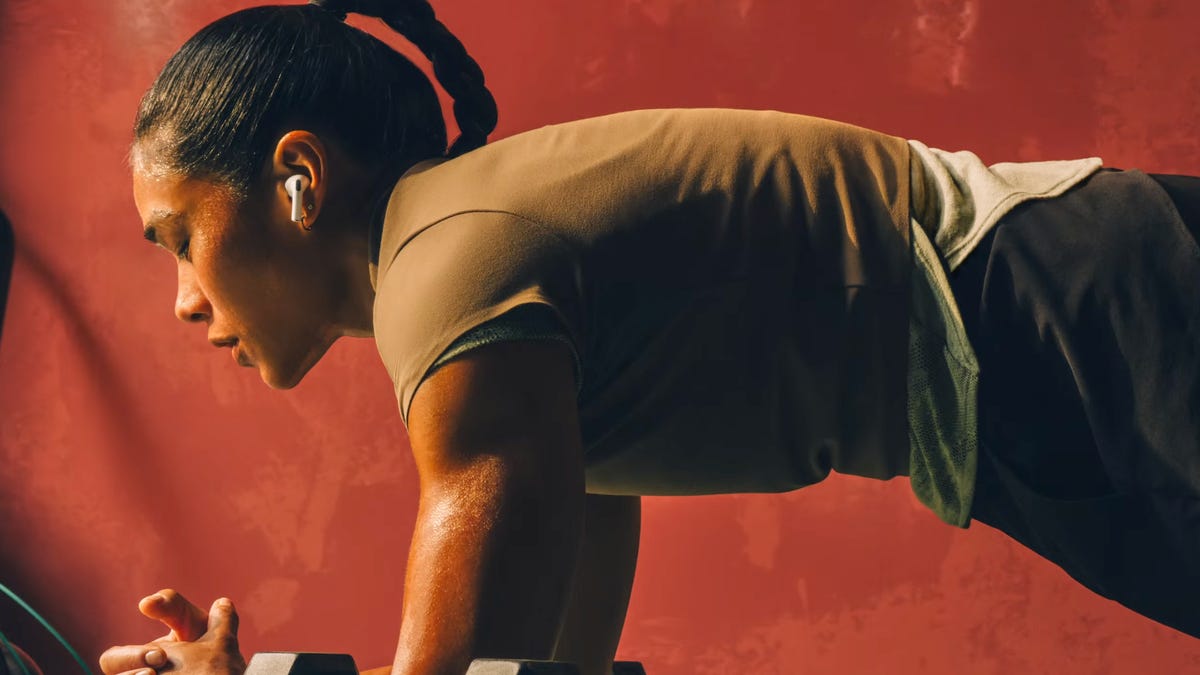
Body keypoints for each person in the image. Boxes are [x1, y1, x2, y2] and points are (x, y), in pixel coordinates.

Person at [100, 1, 1200, 674]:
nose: (186, 299)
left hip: (1071, 313)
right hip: (1035, 377)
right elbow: (536, 668)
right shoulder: (504, 325)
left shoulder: (447, 276)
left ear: (297, 179)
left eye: (180, 238)